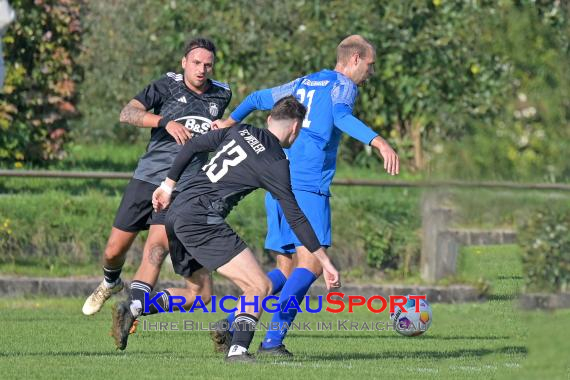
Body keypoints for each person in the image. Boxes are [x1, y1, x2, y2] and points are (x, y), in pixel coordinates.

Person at [111, 96, 340, 362]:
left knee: (200, 294)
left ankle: (135, 306)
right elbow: (296, 217)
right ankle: (238, 351)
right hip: (201, 220)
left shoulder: (242, 129)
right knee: (259, 285)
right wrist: (325, 261)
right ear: (296, 128)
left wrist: (167, 185)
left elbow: (194, 144)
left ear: (269, 120)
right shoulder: (277, 162)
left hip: (177, 210)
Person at [211, 35, 399, 356]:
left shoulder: (305, 82)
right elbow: (340, 117)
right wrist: (379, 141)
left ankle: (231, 321)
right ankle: (272, 341)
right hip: (308, 185)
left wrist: (229, 121)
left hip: (278, 180)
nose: (371, 72)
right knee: (311, 266)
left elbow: (257, 98)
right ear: (354, 59)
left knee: (286, 271)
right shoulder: (343, 85)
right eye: (370, 65)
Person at [82, 38, 231, 319]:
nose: (202, 70)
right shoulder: (167, 85)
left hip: (182, 186)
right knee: (114, 251)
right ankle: (111, 283)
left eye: (208, 65)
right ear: (184, 62)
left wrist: (222, 130)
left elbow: (223, 129)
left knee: (157, 247)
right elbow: (127, 113)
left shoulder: (222, 95)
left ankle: (132, 312)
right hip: (147, 177)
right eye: (196, 63)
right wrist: (164, 121)